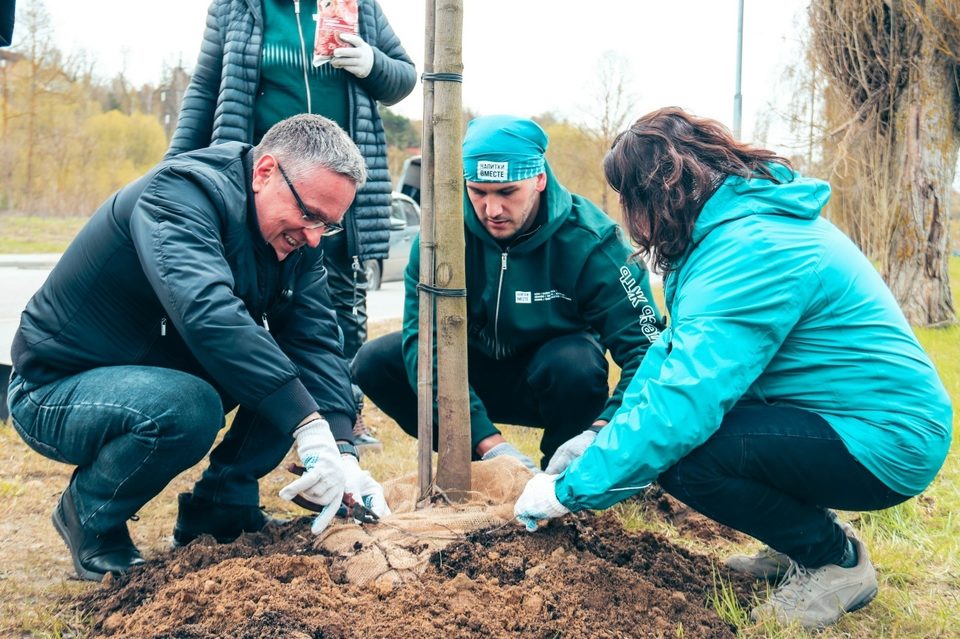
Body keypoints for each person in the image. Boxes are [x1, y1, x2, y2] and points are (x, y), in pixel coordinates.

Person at [513, 107, 953, 629]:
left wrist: (569, 490)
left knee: (685, 457)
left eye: (629, 200)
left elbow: (682, 405)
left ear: (659, 193)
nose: (630, 218)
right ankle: (803, 541)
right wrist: (601, 431)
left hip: (888, 439)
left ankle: (834, 561)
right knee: (694, 440)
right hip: (849, 419)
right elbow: (672, 358)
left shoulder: (751, 250)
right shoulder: (728, 235)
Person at [7, 114, 390, 582]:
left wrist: (341, 445)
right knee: (193, 406)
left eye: (327, 225)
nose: (313, 237)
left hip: (157, 374)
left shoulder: (298, 242)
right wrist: (306, 424)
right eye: (309, 215)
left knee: (288, 374)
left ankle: (221, 509)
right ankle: (90, 518)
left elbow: (315, 343)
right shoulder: (180, 195)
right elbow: (206, 313)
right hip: (56, 387)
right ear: (265, 172)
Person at [166, 0, 417, 450]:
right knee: (253, 303)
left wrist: (372, 63)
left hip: (340, 189)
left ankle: (343, 413)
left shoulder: (360, 7)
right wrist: (173, 171)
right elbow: (205, 90)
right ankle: (283, 417)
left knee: (341, 307)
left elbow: (403, 77)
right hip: (266, 187)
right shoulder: (235, 8)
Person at [353, 115, 664, 472]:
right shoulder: (440, 236)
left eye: (507, 192)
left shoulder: (594, 242)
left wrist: (600, 432)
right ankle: (487, 466)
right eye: (478, 192)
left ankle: (563, 475)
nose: (492, 210)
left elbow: (646, 350)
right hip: (467, 376)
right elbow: (423, 340)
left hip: (552, 380)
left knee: (576, 362)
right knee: (376, 361)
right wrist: (490, 445)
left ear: (539, 179)